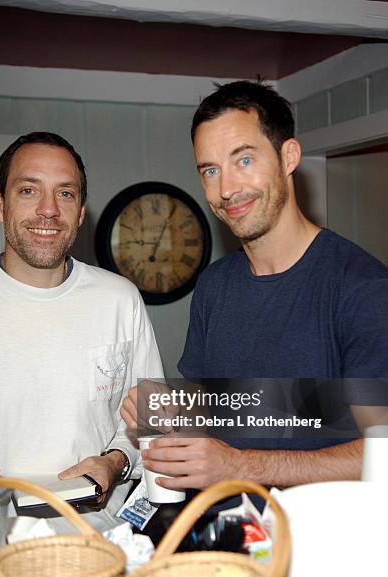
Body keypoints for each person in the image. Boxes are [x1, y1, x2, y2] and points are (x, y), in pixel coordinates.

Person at [122, 80, 388, 493]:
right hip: (228, 533)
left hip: (319, 544)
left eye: (243, 160)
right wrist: (161, 412)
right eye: (210, 170)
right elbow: (212, 410)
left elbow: (382, 453)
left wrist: (241, 466)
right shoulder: (213, 286)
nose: (226, 189)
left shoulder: (363, 289)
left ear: (289, 157)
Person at [0, 132, 163, 530]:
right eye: (29, 190)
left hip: (99, 537)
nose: (49, 210)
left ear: (82, 210)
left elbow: (153, 418)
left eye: (65, 194)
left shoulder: (120, 299)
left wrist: (115, 462)